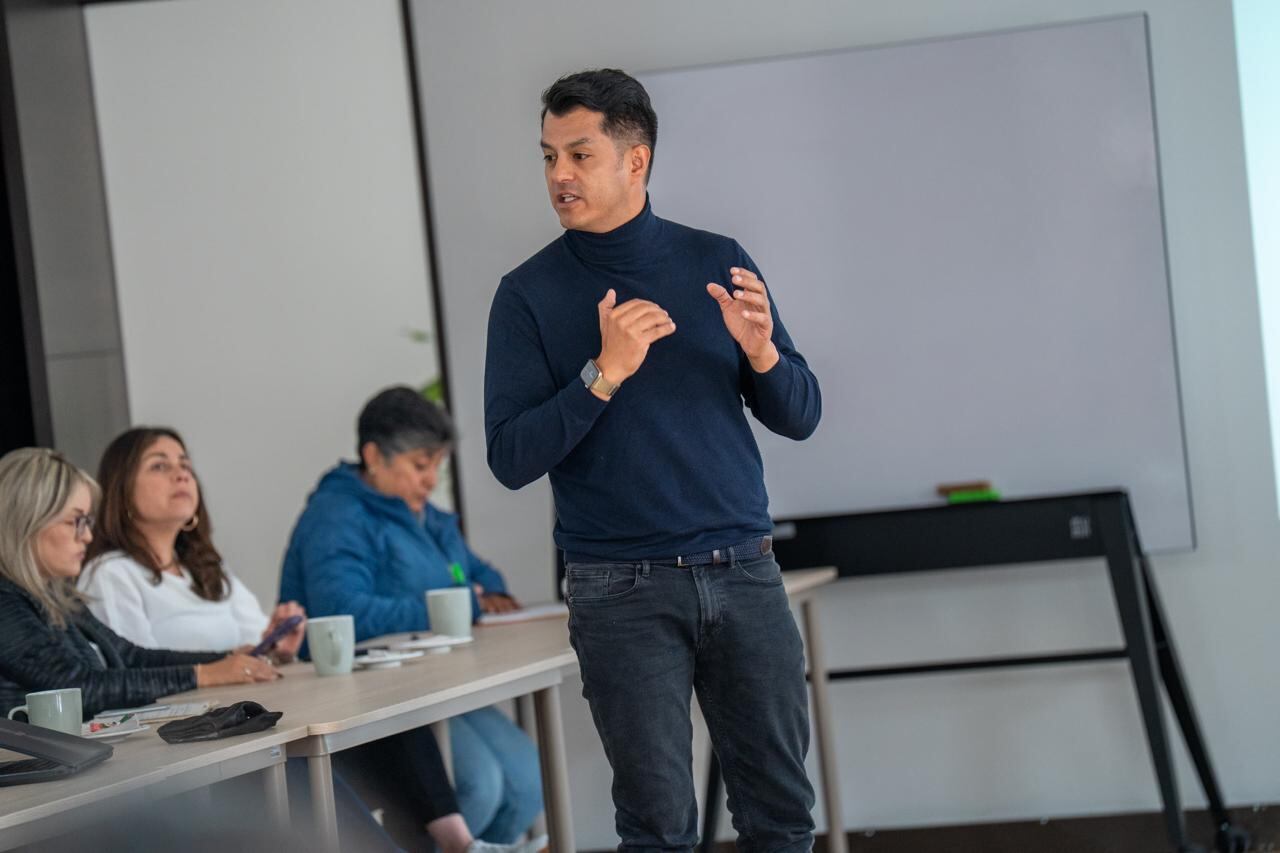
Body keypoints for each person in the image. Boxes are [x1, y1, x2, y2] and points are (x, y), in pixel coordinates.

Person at [483, 69, 822, 851]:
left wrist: (764, 354)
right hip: (619, 590)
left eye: (579, 154)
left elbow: (801, 414)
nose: (558, 176)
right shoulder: (527, 295)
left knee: (781, 815)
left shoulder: (719, 258)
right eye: (547, 157)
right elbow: (508, 456)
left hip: (745, 569)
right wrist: (603, 374)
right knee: (659, 826)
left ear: (635, 162)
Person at [79, 427, 539, 853]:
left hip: (265, 718)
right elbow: (134, 672)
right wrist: (227, 663)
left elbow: (250, 650)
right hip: (210, 744)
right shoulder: (113, 574)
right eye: (159, 465)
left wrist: (277, 642)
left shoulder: (209, 573)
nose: (181, 472)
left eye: (184, 461)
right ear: (121, 492)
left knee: (380, 703)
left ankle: (460, 843)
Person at [280, 387, 543, 845]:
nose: (430, 480)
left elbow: (481, 574)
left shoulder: (426, 516)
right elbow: (341, 614)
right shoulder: (336, 516)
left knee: (525, 780)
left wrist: (487, 591)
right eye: (420, 466)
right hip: (376, 693)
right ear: (374, 456)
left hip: (443, 680)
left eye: (437, 466)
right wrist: (457, 603)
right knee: (478, 787)